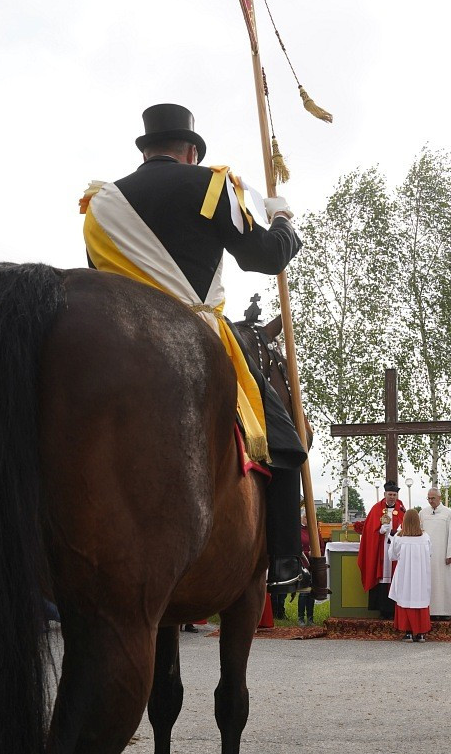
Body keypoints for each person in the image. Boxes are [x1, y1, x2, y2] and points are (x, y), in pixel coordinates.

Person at [80, 104, 310, 595]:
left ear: (146, 150)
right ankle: (287, 559)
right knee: (285, 441)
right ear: (190, 152)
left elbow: (100, 281)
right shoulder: (210, 185)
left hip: (117, 337)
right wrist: (284, 217)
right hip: (198, 333)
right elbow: (266, 257)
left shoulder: (101, 202)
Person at [357, 481, 406, 617]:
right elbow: (369, 531)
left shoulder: (401, 509)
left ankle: (395, 609)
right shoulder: (376, 509)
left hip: (395, 549)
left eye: (394, 495)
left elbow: (406, 526)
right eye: (390, 494)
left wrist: (398, 532)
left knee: (394, 577)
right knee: (383, 577)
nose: (392, 497)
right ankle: (382, 609)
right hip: (381, 549)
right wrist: (379, 531)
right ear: (384, 494)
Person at [389, 509, 432, 642]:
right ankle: (420, 634)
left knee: (405, 598)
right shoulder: (425, 537)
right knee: (420, 599)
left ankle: (408, 632)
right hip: (421, 575)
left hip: (405, 574)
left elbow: (392, 556)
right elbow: (430, 553)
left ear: (404, 521)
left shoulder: (399, 537)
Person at [419, 488, 451, 618]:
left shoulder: (448, 513)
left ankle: (445, 611)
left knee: (444, 582)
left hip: (443, 555)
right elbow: (419, 532)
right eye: (429, 498)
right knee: (429, 582)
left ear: (439, 498)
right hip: (427, 555)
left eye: (433, 498)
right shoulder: (423, 512)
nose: (431, 501)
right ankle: (429, 611)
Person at [298, 511, 326, 626]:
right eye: (305, 517)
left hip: (314, 563)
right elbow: (296, 548)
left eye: (309, 518)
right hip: (303, 563)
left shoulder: (315, 531)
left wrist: (317, 553)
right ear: (301, 518)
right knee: (304, 591)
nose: (307, 520)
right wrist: (307, 553)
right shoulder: (298, 531)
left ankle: (310, 618)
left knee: (312, 591)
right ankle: (301, 618)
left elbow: (321, 545)